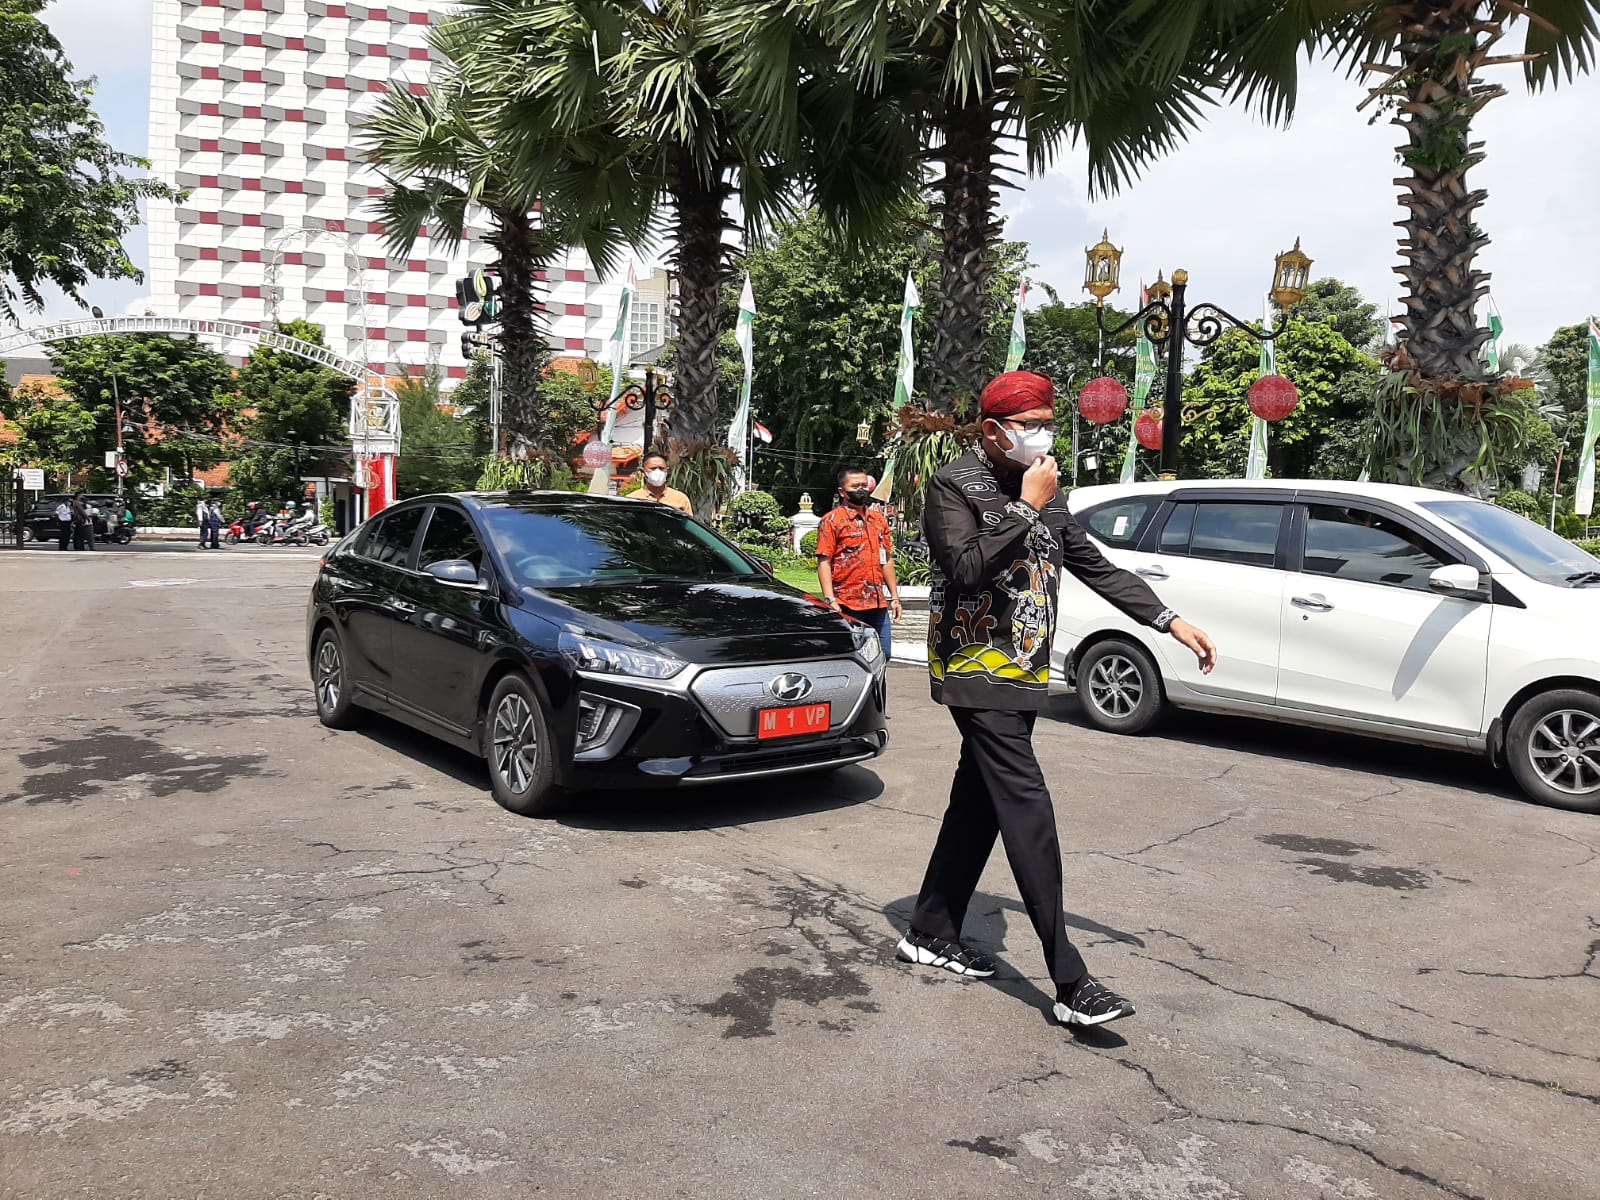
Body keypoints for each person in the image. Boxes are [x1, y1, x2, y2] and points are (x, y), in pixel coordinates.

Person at [898, 369, 1218, 1030]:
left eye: (1047, 420)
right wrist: (1025, 506)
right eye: (1031, 423)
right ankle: (1071, 981)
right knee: (1027, 810)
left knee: (979, 803)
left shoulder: (1047, 486)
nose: (1043, 434)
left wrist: (1168, 621)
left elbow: (1094, 564)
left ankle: (928, 929)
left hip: (1025, 673)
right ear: (992, 430)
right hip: (976, 668)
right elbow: (963, 567)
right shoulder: (955, 483)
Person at [816, 465, 901, 660]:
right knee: (854, 656)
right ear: (842, 491)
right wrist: (830, 599)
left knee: (883, 654)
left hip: (877, 603)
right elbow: (824, 562)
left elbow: (886, 559)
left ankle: (877, 690)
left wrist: (894, 596)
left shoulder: (879, 520)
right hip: (847, 603)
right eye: (855, 486)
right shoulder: (832, 521)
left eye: (864, 485)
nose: (861, 490)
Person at [625, 452, 693, 514]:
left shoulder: (681, 499)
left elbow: (689, 526)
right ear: (643, 472)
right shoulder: (632, 499)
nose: (658, 471)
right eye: (653, 468)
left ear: (667, 471)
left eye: (661, 468)